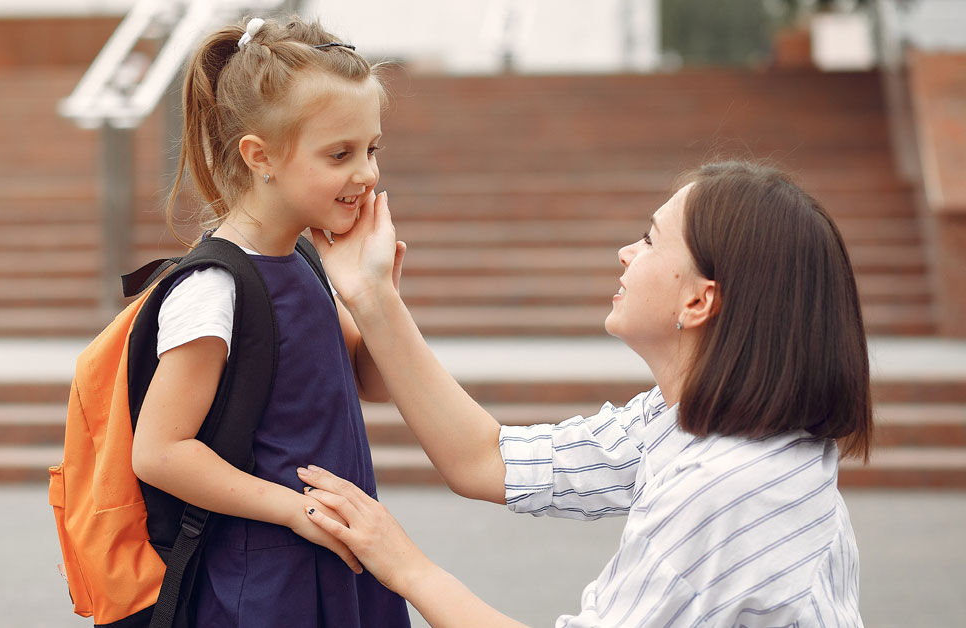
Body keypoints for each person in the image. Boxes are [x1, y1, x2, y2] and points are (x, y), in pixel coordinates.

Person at [299, 161, 871, 627]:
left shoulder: (726, 487)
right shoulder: (684, 423)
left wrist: (407, 567)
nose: (627, 253)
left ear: (699, 301)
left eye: (649, 240)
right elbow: (485, 460)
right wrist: (372, 297)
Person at [130, 16, 411, 628]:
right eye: (339, 154)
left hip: (337, 551)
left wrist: (378, 294)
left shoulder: (306, 257)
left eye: (371, 150)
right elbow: (159, 452)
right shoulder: (215, 288)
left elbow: (373, 383)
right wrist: (291, 510)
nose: (365, 173)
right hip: (269, 577)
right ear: (260, 157)